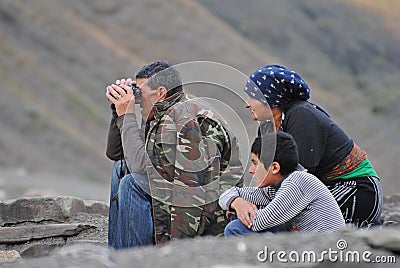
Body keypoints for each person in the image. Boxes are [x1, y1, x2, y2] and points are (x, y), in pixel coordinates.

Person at [105, 61, 243, 249]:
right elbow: (116, 153)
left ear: (161, 93)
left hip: (206, 215)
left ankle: (132, 259)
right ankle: (116, 255)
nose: (137, 100)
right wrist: (118, 112)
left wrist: (174, 248)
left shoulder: (182, 120)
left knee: (131, 183)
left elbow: (188, 189)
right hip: (177, 194)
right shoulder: (162, 111)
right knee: (120, 168)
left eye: (140, 93)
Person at [243, 64, 382, 228]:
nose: (246, 104)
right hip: (319, 189)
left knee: (279, 219)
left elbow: (297, 180)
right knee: (256, 212)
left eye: (251, 97)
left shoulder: (302, 116)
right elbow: (266, 176)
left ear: (269, 99)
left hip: (355, 190)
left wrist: (255, 203)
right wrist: (240, 201)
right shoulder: (267, 127)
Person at [219, 131, 345, 236]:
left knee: (235, 228)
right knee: (238, 217)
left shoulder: (297, 182)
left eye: (255, 163)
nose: (251, 170)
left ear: (274, 167)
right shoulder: (274, 187)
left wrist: (239, 209)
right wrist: (237, 202)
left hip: (327, 251)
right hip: (307, 247)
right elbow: (228, 194)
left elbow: (259, 222)